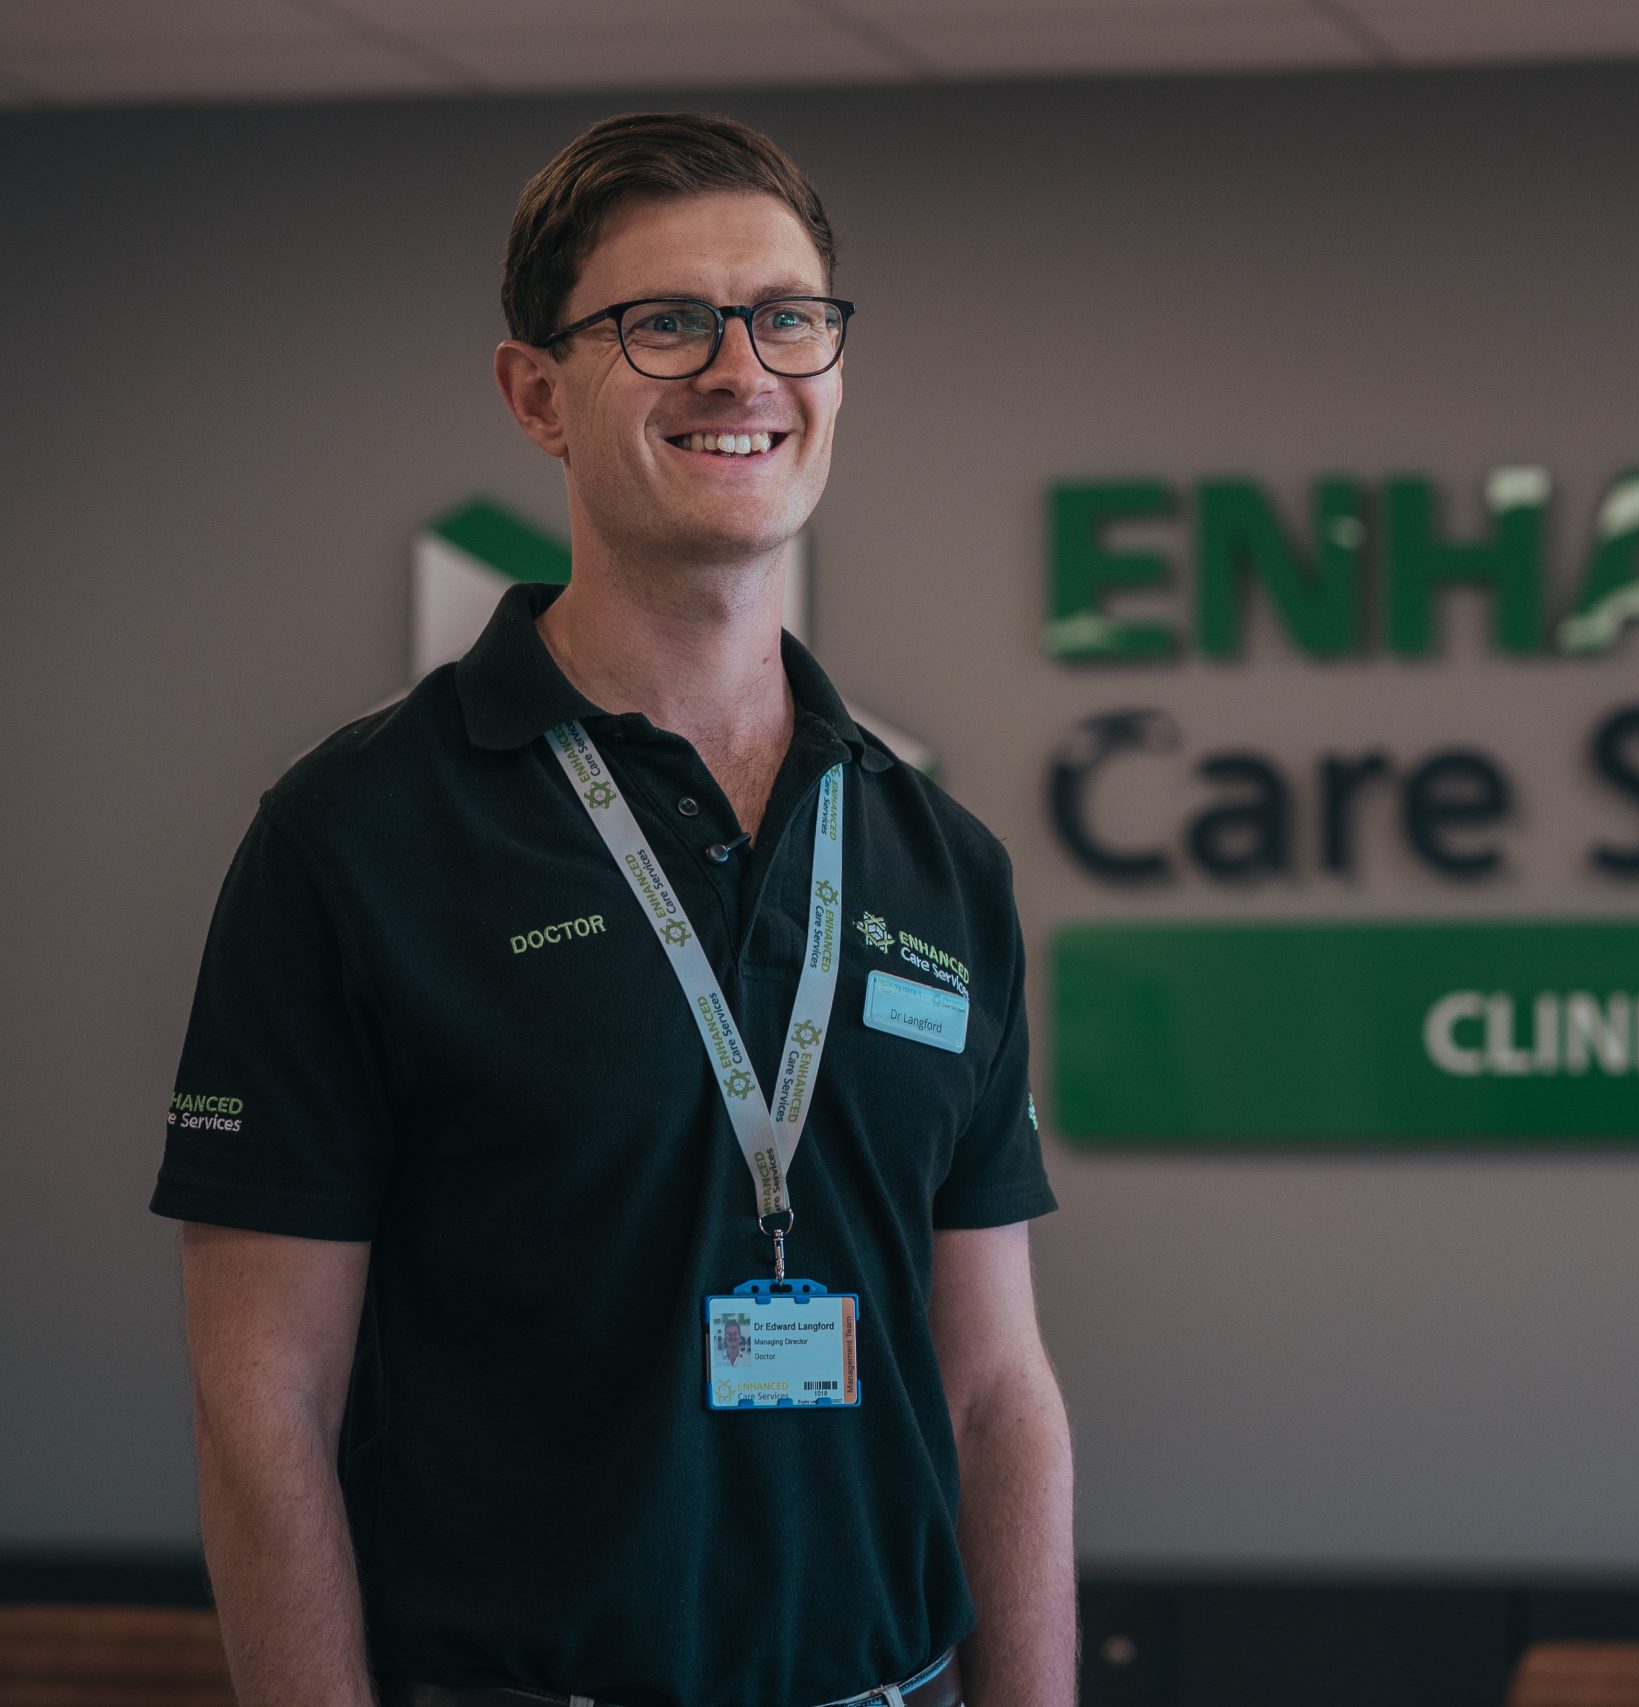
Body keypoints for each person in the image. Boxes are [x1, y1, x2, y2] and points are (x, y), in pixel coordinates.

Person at [152, 112, 1072, 1707]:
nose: (742, 371)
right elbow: (262, 1406)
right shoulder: (355, 836)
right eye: (666, 324)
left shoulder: (938, 856)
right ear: (536, 397)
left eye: (787, 317)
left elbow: (996, 1393)